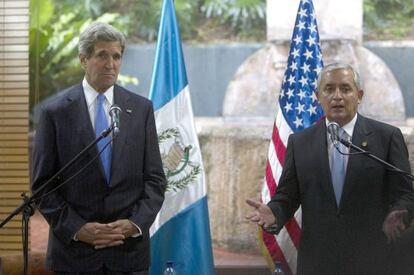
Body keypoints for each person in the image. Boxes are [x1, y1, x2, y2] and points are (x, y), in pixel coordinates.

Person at [246, 63, 414, 275]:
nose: (337, 96)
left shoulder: (386, 137)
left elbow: (405, 194)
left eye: (345, 89)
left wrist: (401, 213)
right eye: (329, 89)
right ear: (318, 96)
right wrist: (274, 212)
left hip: (372, 257)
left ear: (359, 95)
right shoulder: (300, 143)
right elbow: (287, 196)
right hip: (318, 261)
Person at [31, 22, 166, 274]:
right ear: (83, 59)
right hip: (75, 255)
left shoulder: (140, 110)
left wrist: (133, 224)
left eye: (116, 56)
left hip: (127, 252)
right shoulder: (55, 113)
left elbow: (155, 180)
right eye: (102, 55)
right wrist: (78, 229)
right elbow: (43, 185)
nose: (111, 64)